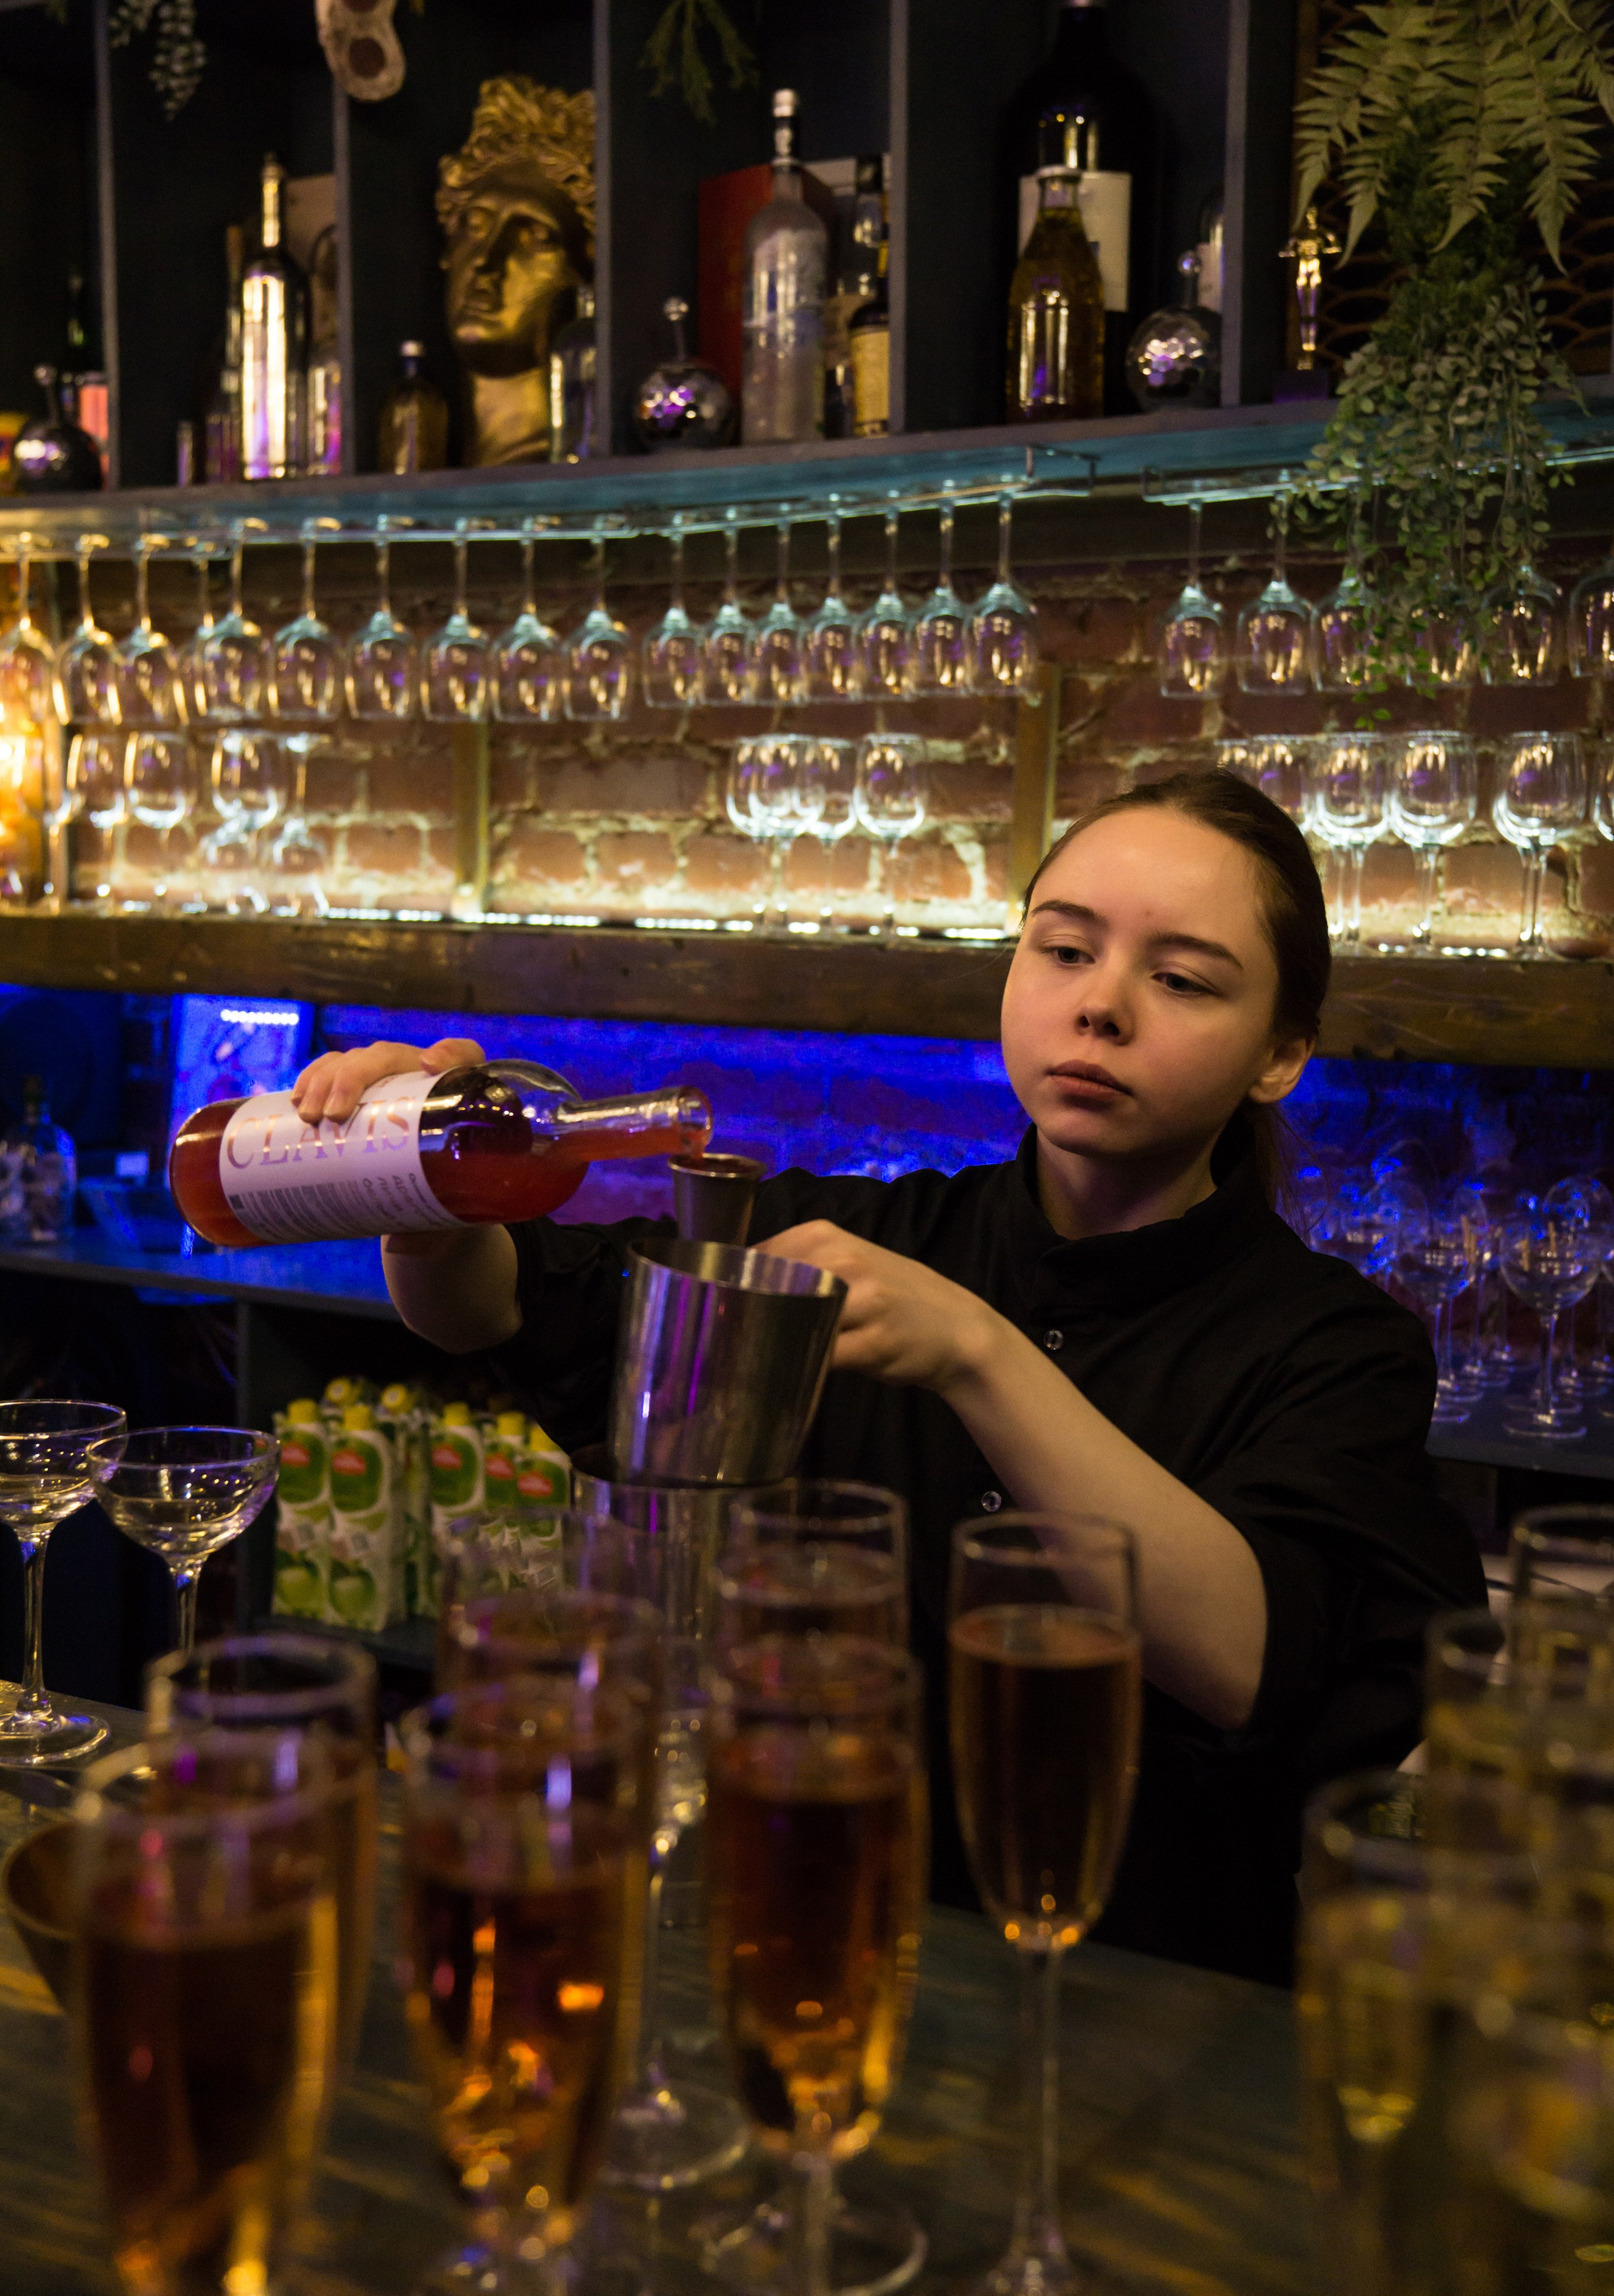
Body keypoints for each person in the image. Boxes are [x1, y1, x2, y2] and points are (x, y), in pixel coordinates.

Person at [290, 771, 1483, 1986]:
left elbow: (1245, 1658)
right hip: (821, 1942)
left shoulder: (1337, 1348)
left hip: (1156, 2006)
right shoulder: (861, 1239)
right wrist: (421, 1193)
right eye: (1065, 950)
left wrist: (978, 1354)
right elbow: (504, 1307)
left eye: (1179, 979)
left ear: (1282, 1053)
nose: (1101, 1005)